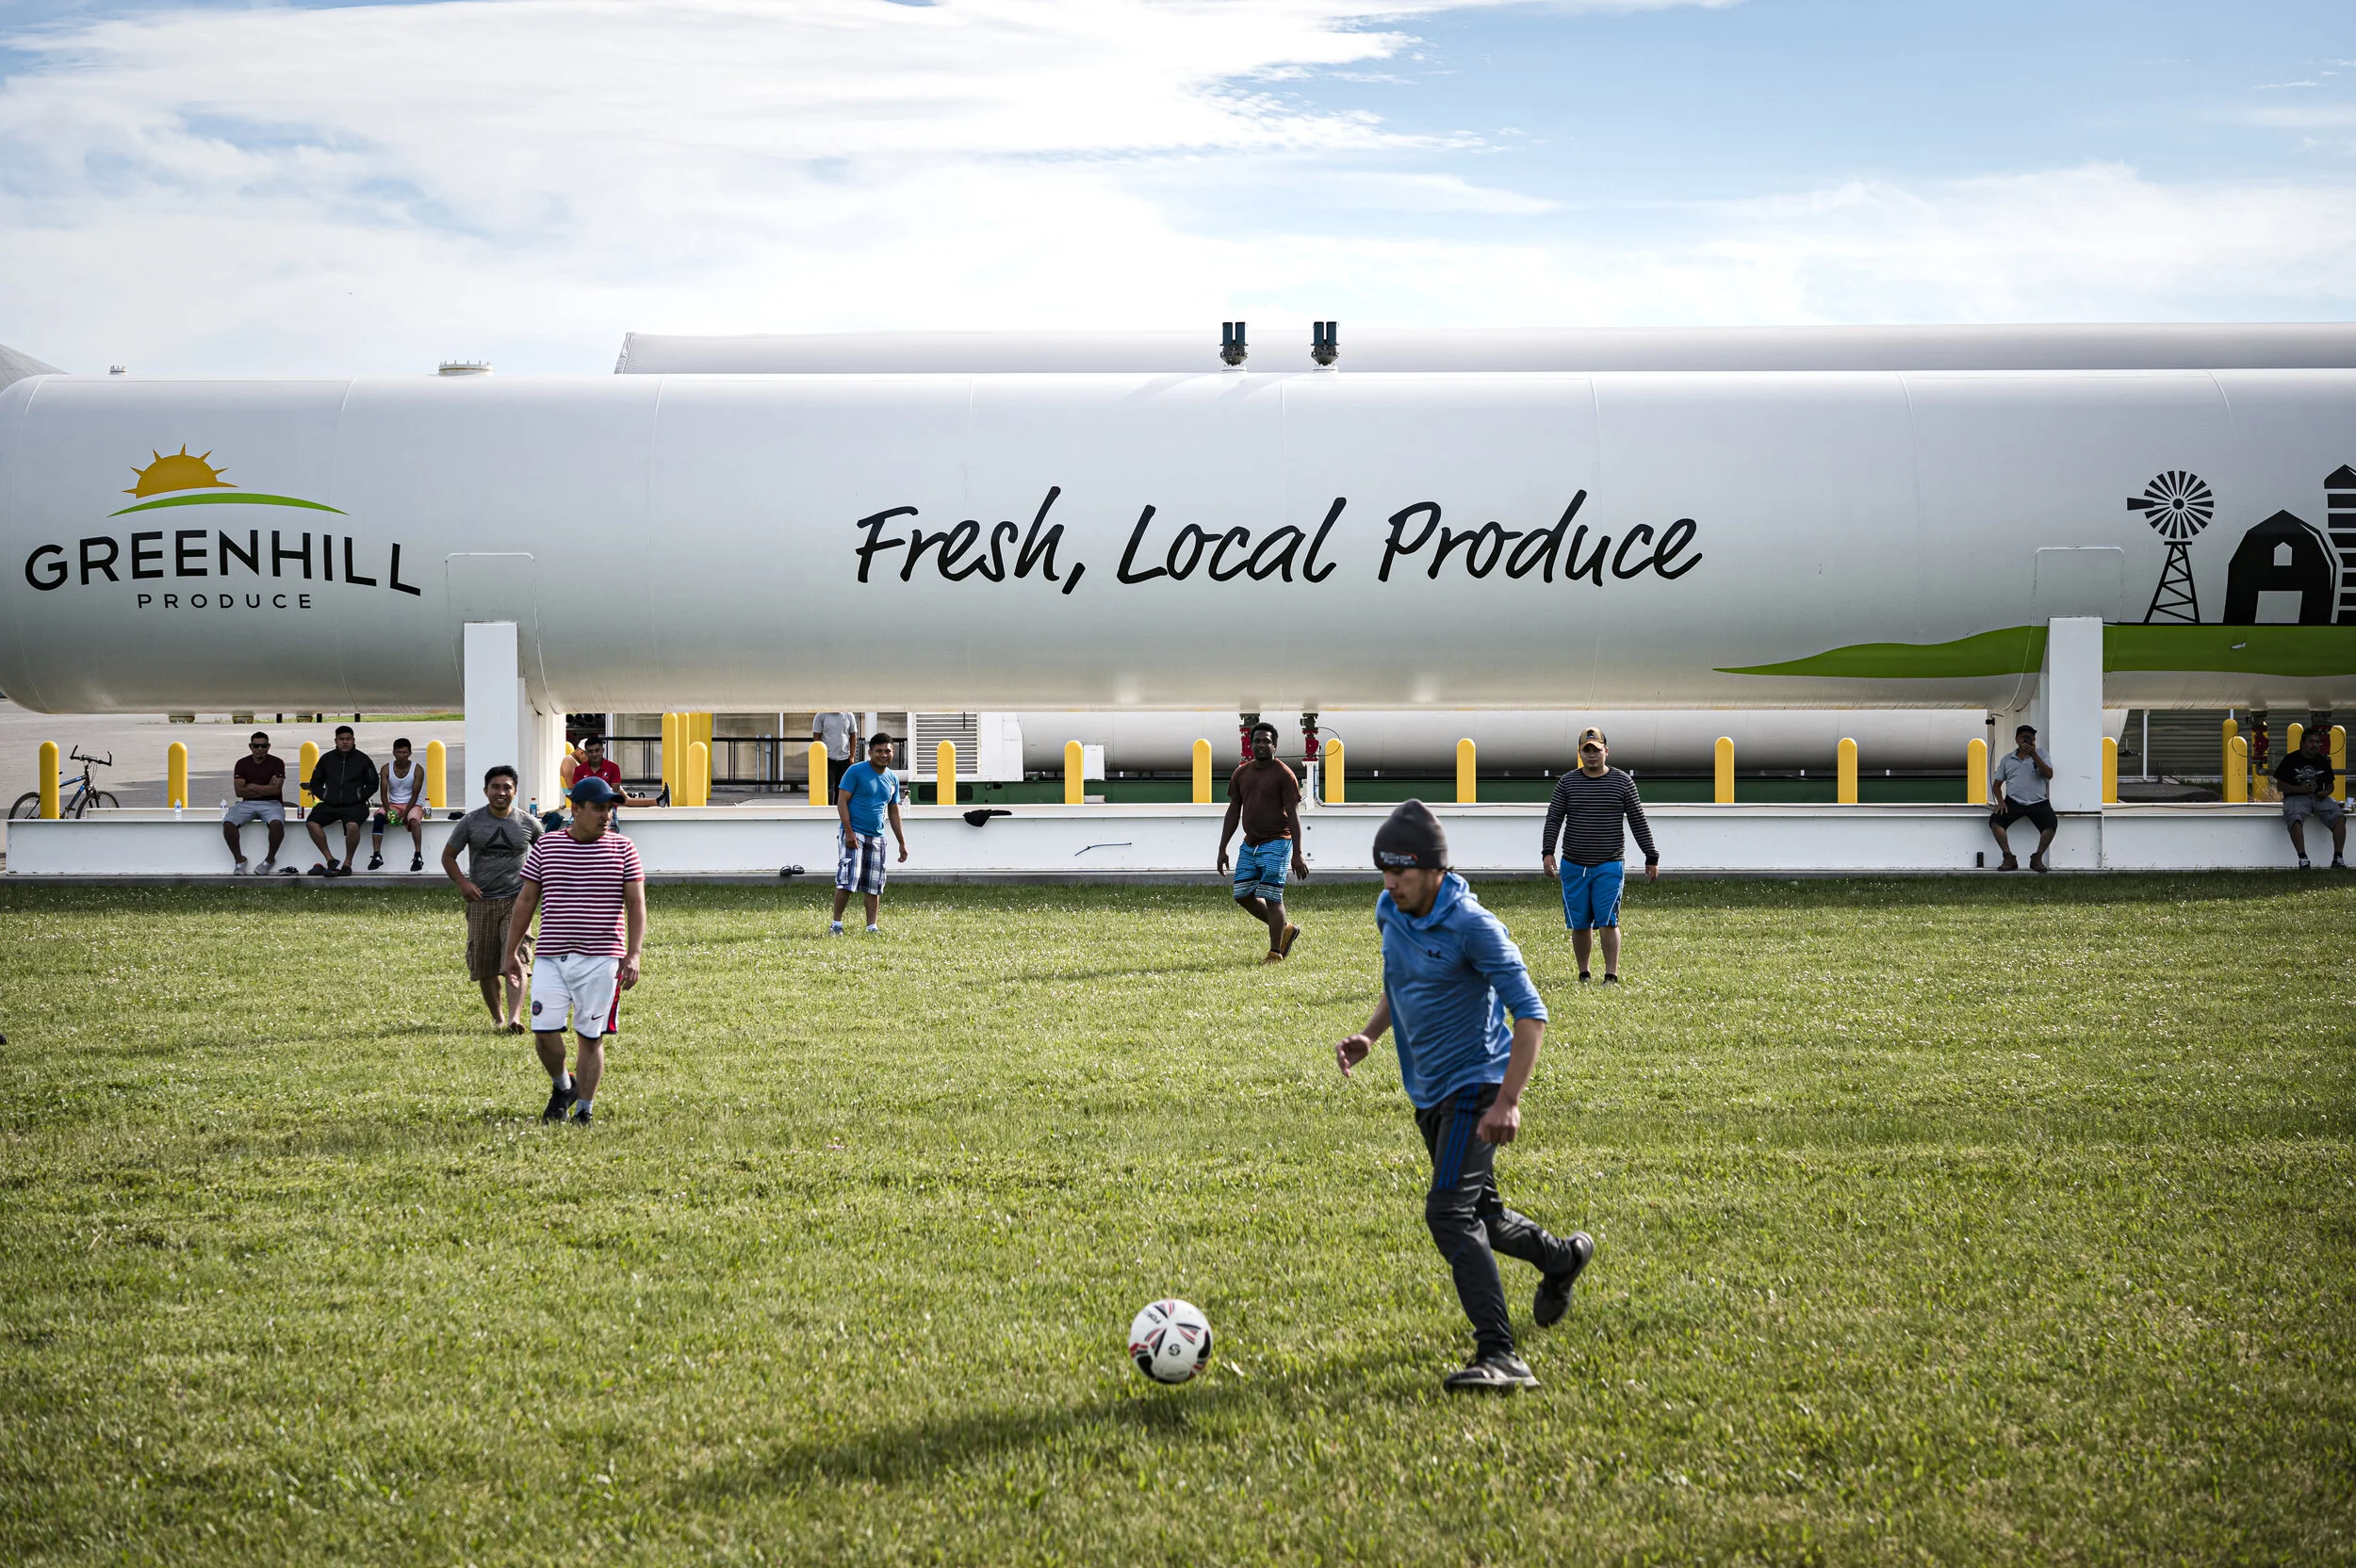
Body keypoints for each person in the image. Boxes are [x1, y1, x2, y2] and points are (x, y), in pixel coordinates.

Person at [1334, 800, 1594, 1393]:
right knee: (1486, 1217)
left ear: (1435, 870)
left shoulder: (1475, 925)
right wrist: (1371, 1036)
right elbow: (1399, 979)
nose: (1390, 882)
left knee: (1448, 1214)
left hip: (1476, 1086)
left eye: (1400, 872)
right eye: (1384, 871)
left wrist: (1508, 1100)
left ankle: (1501, 1354)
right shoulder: (1389, 909)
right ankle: (1561, 1258)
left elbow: (1530, 1014)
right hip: (1427, 1089)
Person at [501, 776, 646, 1125]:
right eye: (598, 808)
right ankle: (563, 1085)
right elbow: (526, 902)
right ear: (576, 809)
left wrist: (634, 953)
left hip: (602, 960)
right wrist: (511, 951)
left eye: (610, 808)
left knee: (589, 1037)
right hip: (552, 956)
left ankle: (584, 1111)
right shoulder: (547, 847)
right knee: (544, 1031)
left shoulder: (624, 848)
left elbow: (636, 905)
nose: (606, 815)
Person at [1539, 727, 1660, 984]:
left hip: (1609, 863)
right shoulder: (1567, 783)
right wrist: (1548, 852)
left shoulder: (1623, 782)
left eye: (1596, 749)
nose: (1592, 755)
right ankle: (1584, 974)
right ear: (1580, 753)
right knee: (1579, 923)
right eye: (1586, 750)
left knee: (1608, 921)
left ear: (1606, 751)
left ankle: (1610, 976)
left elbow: (1638, 820)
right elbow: (1554, 819)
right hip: (1573, 864)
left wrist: (1651, 855)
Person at [443, 762, 544, 1031]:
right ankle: (499, 1018)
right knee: (485, 965)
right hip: (480, 901)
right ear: (486, 790)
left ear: (515, 791)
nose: (501, 792)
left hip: (517, 900)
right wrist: (463, 883)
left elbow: (548, 853)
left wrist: (539, 886)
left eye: (507, 787)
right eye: (495, 787)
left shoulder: (527, 822)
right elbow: (448, 856)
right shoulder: (471, 822)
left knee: (518, 958)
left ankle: (515, 1018)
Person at [1215, 721, 1308, 962]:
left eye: (1267, 741)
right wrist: (1222, 848)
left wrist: (1297, 853)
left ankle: (1275, 952)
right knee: (1242, 894)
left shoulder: (1284, 775)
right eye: (1257, 740)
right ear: (1250, 744)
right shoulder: (1241, 774)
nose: (1261, 744)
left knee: (1272, 895)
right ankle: (1285, 928)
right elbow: (1233, 811)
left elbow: (1294, 814)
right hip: (1251, 844)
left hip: (1278, 842)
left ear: (1275, 746)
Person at [831, 732, 908, 935]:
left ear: (893, 753)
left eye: (887, 751)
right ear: (870, 752)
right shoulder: (855, 771)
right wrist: (849, 833)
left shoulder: (892, 778)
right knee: (847, 880)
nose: (884, 755)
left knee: (874, 884)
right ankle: (836, 924)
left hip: (878, 838)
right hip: (854, 834)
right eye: (879, 751)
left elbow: (893, 811)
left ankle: (871, 926)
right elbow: (842, 802)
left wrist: (901, 842)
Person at [304, 725, 378, 877]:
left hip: (355, 805)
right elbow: (315, 782)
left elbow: (373, 783)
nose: (345, 742)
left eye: (348, 739)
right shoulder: (326, 759)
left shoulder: (363, 759)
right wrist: (325, 796)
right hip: (330, 803)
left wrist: (359, 796)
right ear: (336, 741)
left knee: (352, 826)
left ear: (353, 740)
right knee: (312, 823)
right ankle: (330, 859)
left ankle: (347, 864)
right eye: (341, 739)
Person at [2274, 727, 2347, 870]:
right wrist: (2300, 790)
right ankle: (2303, 859)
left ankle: (2338, 858)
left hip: (2319, 798)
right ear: (2302, 743)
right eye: (2311, 741)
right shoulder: (2290, 759)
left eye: (2317, 742)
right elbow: (2280, 786)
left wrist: (2326, 793)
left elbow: (2331, 785)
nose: (2314, 745)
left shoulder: (2322, 760)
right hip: (2295, 797)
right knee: (2294, 818)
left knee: (2339, 816)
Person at [1988, 723, 2056, 873]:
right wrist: (2001, 802)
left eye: (2030, 738)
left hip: (2039, 801)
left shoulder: (2042, 754)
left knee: (2051, 824)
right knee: (1996, 821)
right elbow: (1997, 785)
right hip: (2013, 801)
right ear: (2017, 739)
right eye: (2024, 737)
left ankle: (2037, 858)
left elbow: (2049, 775)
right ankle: (2008, 857)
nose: (2027, 740)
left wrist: (2034, 755)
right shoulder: (2007, 759)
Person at [222, 729, 287, 874]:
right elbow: (239, 792)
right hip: (247, 804)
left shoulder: (277, 763)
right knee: (228, 824)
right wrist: (267, 787)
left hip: (272, 803)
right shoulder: (242, 763)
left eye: (263, 746)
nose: (260, 749)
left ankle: (269, 860)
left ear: (268, 746)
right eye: (256, 746)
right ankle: (240, 861)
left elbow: (275, 791)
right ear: (250, 746)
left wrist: (251, 785)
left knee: (277, 824)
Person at [368, 736, 428, 872]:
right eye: (399, 752)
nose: (401, 756)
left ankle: (418, 856)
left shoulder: (417, 769)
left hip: (412, 804)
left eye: (404, 753)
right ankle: (377, 855)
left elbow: (415, 794)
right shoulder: (386, 769)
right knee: (378, 818)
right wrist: (389, 811)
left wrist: (405, 814)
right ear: (394, 753)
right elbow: (383, 794)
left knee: (413, 820)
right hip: (393, 803)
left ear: (410, 753)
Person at [572, 734, 661, 810]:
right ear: (585, 753)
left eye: (597, 750)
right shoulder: (579, 769)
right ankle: (658, 801)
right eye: (590, 751)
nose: (594, 754)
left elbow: (617, 796)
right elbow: (577, 794)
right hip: (585, 810)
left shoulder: (612, 767)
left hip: (607, 809)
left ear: (602, 750)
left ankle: (658, 801)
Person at [812, 710, 859, 800]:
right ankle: (828, 810)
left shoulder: (849, 714)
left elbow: (853, 736)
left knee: (842, 787)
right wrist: (820, 757)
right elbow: (816, 736)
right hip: (827, 758)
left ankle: (840, 810)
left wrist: (852, 756)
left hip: (845, 758)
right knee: (828, 787)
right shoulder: (821, 715)